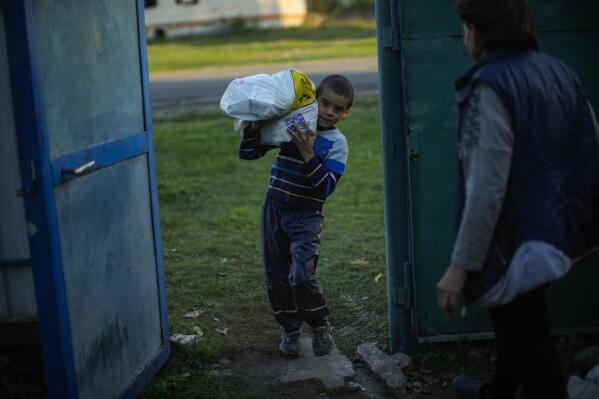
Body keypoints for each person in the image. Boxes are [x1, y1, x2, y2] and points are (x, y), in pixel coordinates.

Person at [435, 0, 599, 397]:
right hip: (555, 235)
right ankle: (499, 392)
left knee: (534, 355)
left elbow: (486, 189)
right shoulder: (559, 71)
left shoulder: (488, 86)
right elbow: (590, 148)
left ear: (477, 29)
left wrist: (460, 267)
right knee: (520, 325)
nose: (464, 36)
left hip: (515, 246)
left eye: (465, 27)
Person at [239, 75, 354, 356]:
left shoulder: (337, 144)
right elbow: (248, 153)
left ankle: (318, 323)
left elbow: (325, 188)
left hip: (306, 217)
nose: (328, 112)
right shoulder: (294, 125)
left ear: (346, 112)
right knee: (276, 276)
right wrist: (254, 126)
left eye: (337, 108)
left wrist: (307, 152)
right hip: (274, 210)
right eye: (324, 103)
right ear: (313, 98)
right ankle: (290, 329)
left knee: (301, 276)